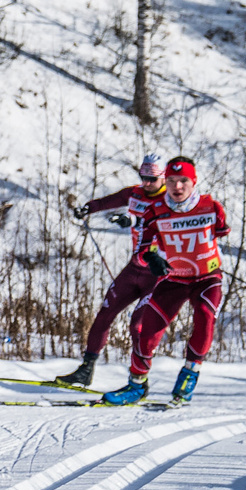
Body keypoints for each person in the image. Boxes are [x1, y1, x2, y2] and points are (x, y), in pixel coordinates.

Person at [106, 156, 228, 406]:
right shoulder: (155, 211)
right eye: (171, 181)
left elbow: (222, 231)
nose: (177, 187)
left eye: (183, 181)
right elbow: (142, 249)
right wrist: (152, 258)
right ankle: (136, 385)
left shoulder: (211, 207)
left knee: (205, 315)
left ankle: (189, 375)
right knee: (146, 331)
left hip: (207, 279)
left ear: (193, 182)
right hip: (174, 279)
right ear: (165, 182)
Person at [58, 153, 171, 389]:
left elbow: (160, 226)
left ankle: (138, 381)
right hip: (135, 267)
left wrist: (133, 223)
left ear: (163, 177)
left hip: (158, 273)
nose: (146, 183)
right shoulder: (134, 193)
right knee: (104, 315)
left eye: (152, 179)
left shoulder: (171, 201)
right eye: (143, 177)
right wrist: (86, 209)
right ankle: (85, 371)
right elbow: (106, 202)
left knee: (137, 326)